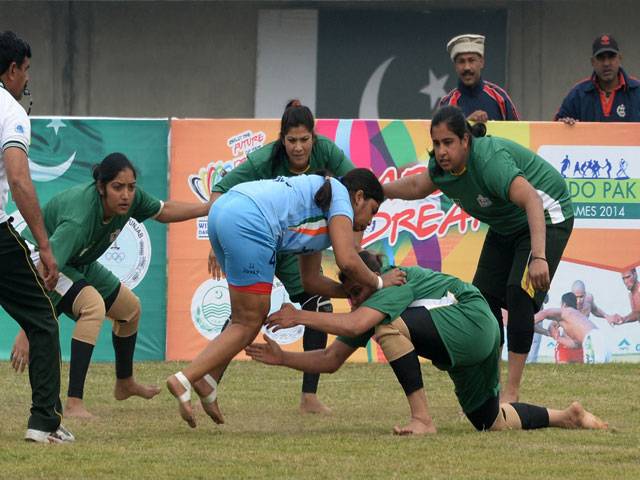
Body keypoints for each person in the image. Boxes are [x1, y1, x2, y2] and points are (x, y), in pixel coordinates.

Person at [250, 251, 607, 435]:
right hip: (475, 337)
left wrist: (299, 316)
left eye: (357, 291)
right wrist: (283, 358)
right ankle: (567, 416)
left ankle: (422, 419)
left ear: (374, 278)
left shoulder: (392, 282)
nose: (354, 300)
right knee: (489, 421)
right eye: (350, 294)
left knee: (386, 328)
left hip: (473, 320)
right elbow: (330, 358)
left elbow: (359, 321)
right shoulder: (369, 303)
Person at [166, 170, 406, 428]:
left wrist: (351, 292)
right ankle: (185, 378)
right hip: (248, 219)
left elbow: (310, 281)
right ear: (358, 197)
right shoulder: (340, 199)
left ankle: (207, 380)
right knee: (249, 322)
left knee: (242, 319)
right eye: (372, 211)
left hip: (224, 211)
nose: (369, 222)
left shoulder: (321, 211)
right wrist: (379, 282)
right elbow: (347, 261)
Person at [382, 105, 574, 403]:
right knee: (483, 301)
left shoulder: (489, 162)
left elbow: (533, 201)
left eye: (448, 143)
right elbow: (418, 185)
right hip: (507, 222)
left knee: (518, 293)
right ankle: (490, 391)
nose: (441, 151)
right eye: (436, 143)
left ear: (466, 141)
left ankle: (510, 394)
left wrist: (538, 257)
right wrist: (380, 191)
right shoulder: (441, 168)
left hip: (548, 214)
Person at [11, 152, 213, 419]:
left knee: (130, 309)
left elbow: (164, 211)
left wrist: (206, 208)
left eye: (131, 187)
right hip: (42, 259)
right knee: (92, 306)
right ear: (101, 187)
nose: (126, 194)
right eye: (118, 187)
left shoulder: (131, 200)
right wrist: (28, 328)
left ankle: (125, 383)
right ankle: (73, 404)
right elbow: (44, 273)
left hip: (76, 259)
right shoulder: (80, 218)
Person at [207, 99, 355, 415]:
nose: (298, 148)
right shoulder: (265, 158)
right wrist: (214, 242)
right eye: (291, 141)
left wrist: (352, 243)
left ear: (314, 138)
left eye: (304, 140)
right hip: (257, 237)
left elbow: (357, 189)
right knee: (245, 317)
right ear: (281, 140)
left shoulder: (327, 153)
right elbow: (220, 190)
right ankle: (208, 381)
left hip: (297, 244)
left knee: (318, 304)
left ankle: (308, 397)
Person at [0, 30, 74, 443]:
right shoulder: (10, 112)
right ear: (12, 70)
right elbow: (19, 178)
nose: (26, 79)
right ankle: (44, 422)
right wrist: (45, 246)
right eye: (25, 70)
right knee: (43, 321)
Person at [555, 34, 640, 123]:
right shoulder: (578, 94)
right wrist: (564, 126)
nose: (606, 63)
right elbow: (556, 129)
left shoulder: (637, 91)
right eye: (600, 57)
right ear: (592, 62)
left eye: (611, 56)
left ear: (620, 58)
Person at [439, 34, 520, 122]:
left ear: (481, 62)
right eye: (461, 61)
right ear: (455, 66)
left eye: (471, 60)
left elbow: (518, 132)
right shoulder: (447, 104)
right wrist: (468, 123)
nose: (467, 67)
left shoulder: (500, 98)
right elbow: (441, 135)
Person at [535, 292, 612, 364]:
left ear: (563, 304)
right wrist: (557, 338)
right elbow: (576, 344)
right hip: (601, 339)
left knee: (590, 375)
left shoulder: (564, 312)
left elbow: (545, 313)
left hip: (591, 340)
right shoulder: (576, 317)